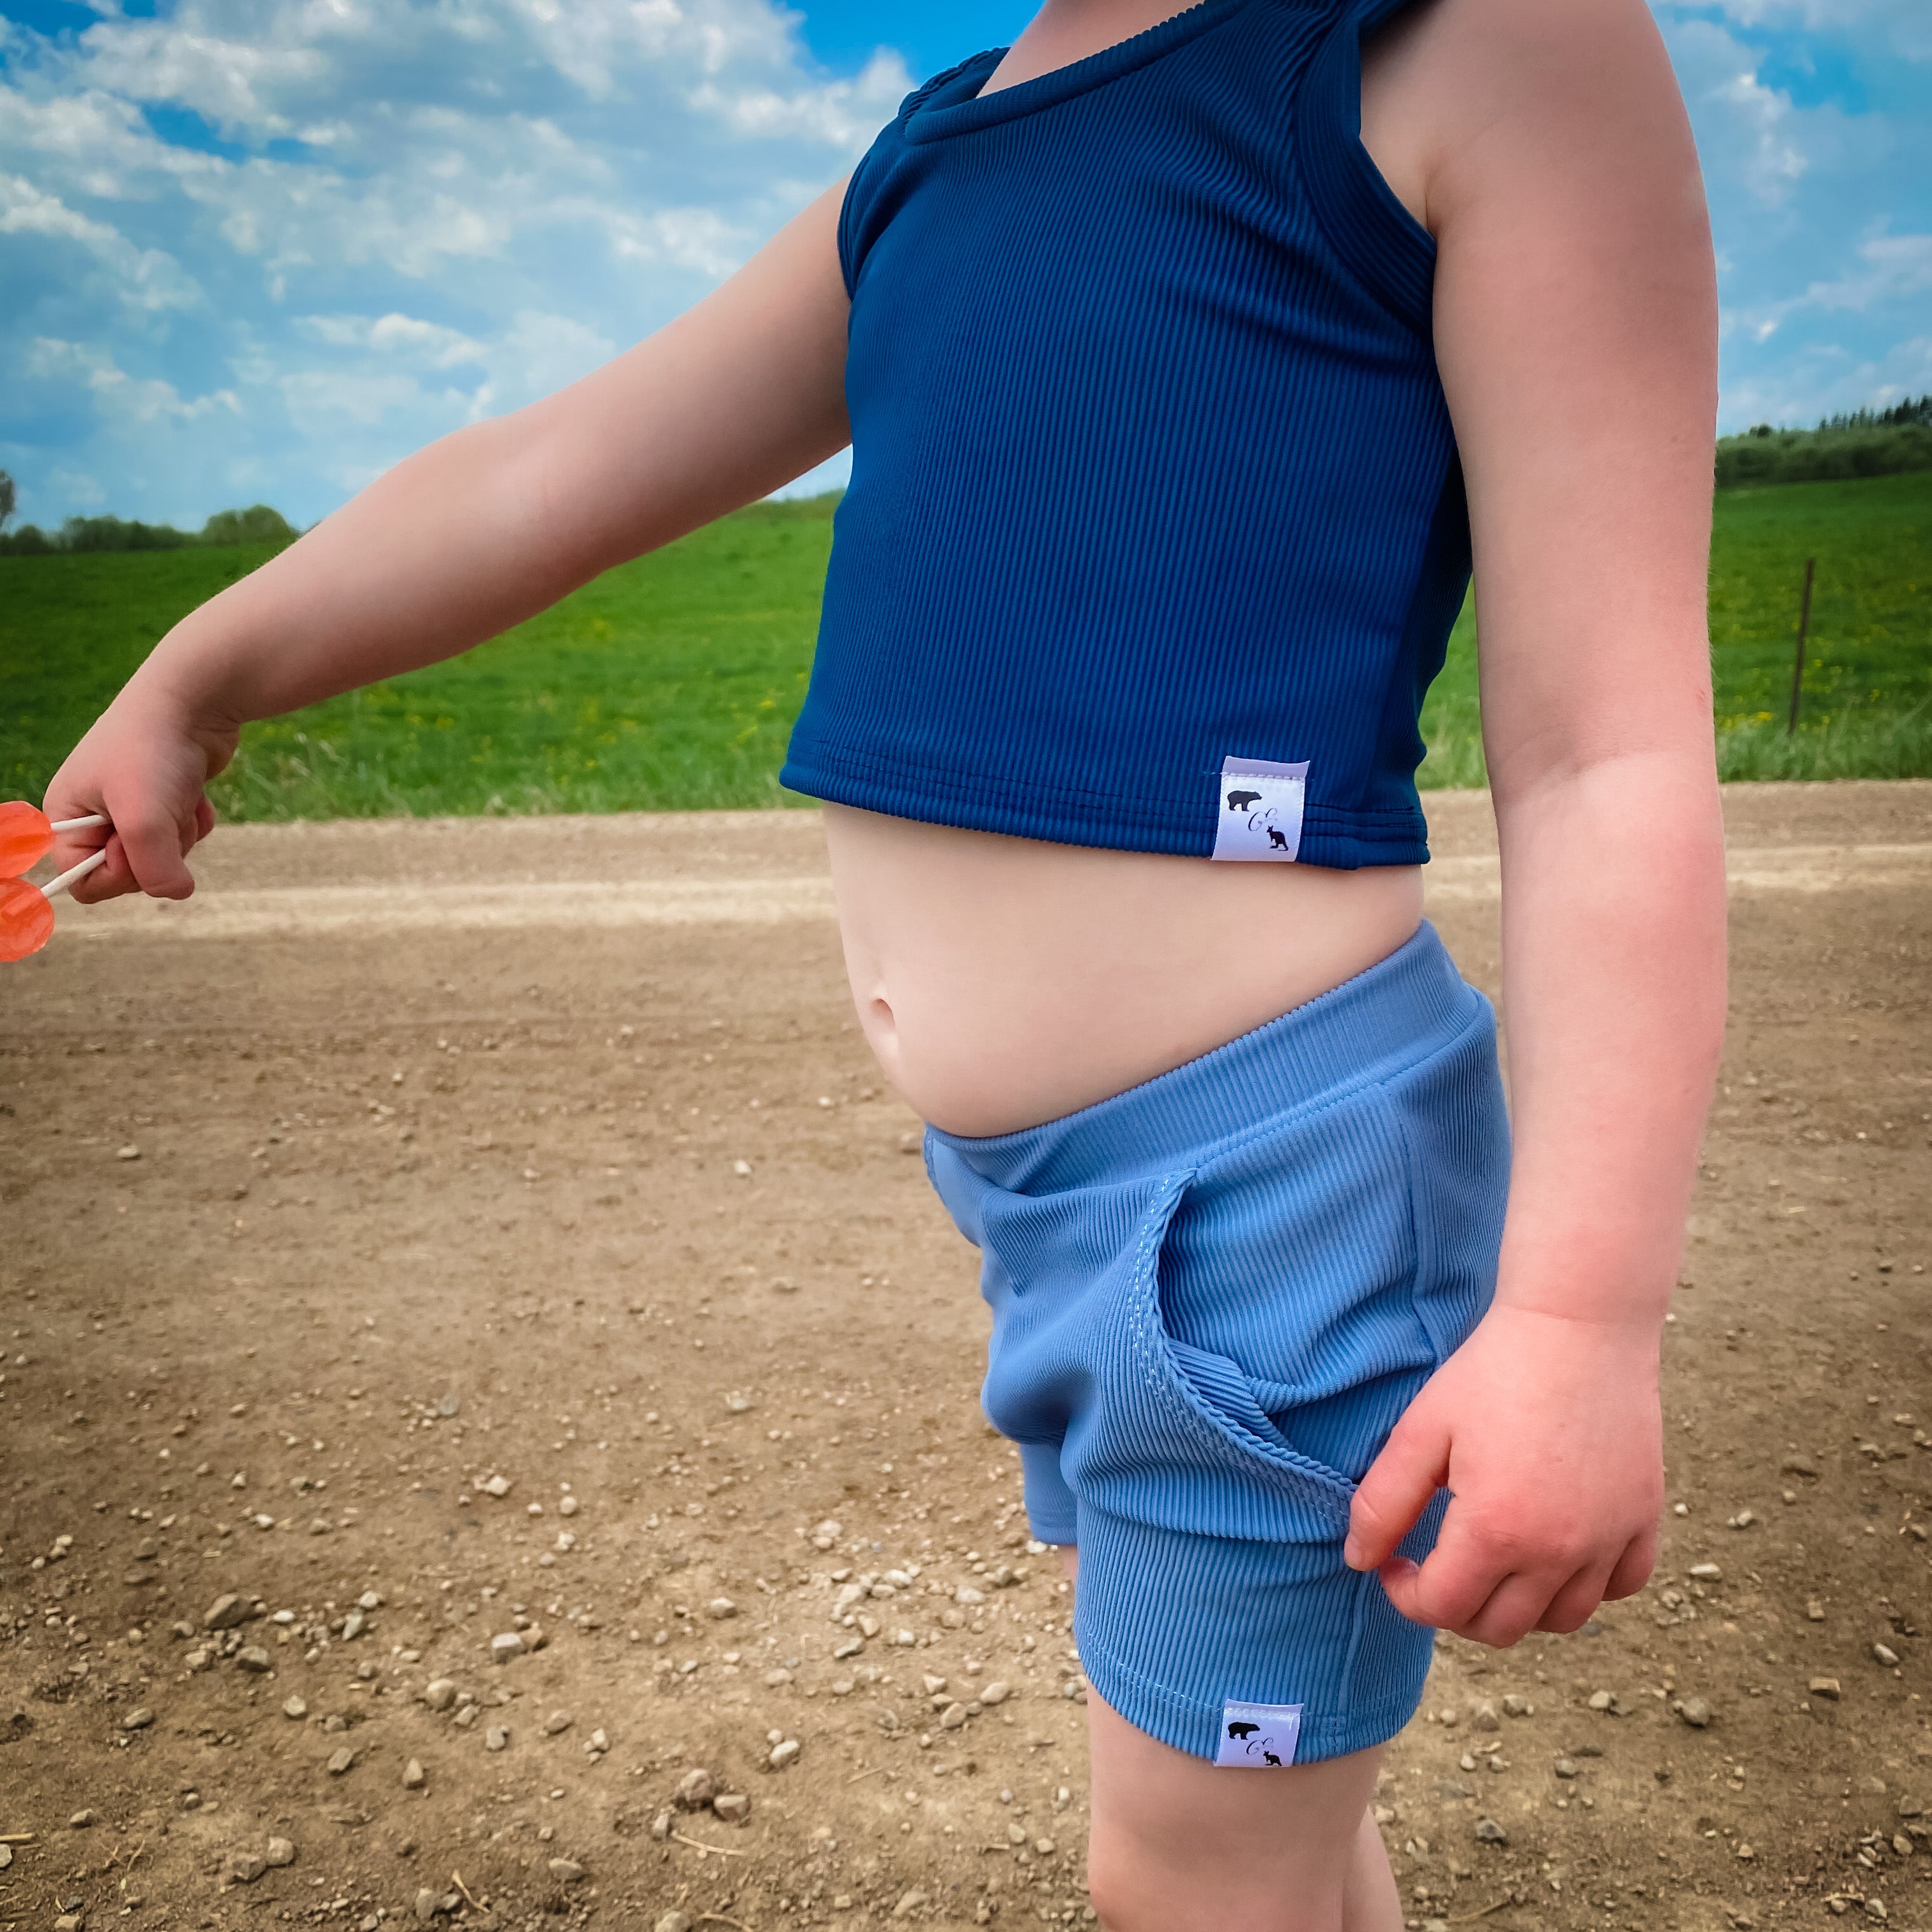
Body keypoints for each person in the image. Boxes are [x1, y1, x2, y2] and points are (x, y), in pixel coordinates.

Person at [45, 0, 1725, 1923]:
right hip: (1050, 1207)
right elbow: (552, 465)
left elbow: (1611, 754)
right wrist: (206, 666)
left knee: (1193, 1874)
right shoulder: (937, 148)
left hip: (1269, 1202)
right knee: (1266, 1837)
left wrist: (1581, 1324)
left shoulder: (1470, 45)